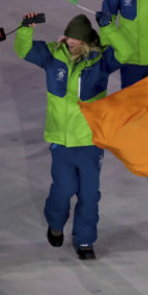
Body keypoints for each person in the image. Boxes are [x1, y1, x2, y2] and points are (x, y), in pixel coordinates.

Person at [15, 13, 126, 260]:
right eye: (69, 36)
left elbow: (125, 51)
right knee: (63, 189)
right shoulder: (52, 55)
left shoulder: (101, 61)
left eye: (76, 38)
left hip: (90, 142)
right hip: (61, 141)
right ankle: (55, 224)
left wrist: (108, 27)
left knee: (89, 194)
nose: (70, 41)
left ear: (86, 41)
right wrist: (25, 29)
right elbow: (23, 50)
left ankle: (85, 241)